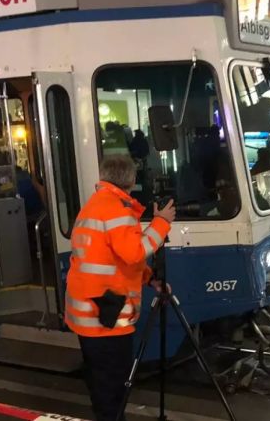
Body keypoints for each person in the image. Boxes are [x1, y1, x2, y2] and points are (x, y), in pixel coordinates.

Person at [65, 155, 176, 421]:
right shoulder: (115, 209)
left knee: (102, 385)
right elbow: (134, 252)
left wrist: (149, 279)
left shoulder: (94, 205)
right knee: (113, 389)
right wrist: (162, 222)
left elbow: (113, 261)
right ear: (132, 179)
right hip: (106, 319)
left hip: (90, 314)